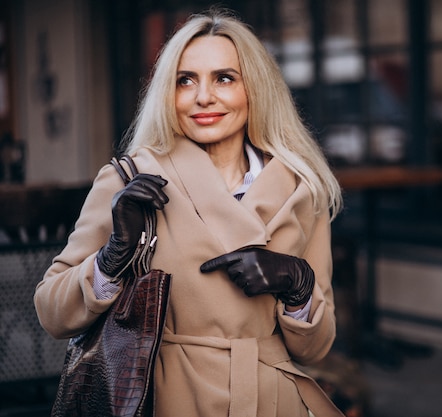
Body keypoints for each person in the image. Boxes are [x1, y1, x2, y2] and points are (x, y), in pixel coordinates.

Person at [34, 8, 344, 417]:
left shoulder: (304, 188)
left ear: (255, 89)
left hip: (271, 399)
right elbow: (52, 313)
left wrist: (299, 287)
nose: (203, 97)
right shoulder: (129, 179)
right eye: (185, 80)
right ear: (168, 92)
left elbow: (316, 347)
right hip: (167, 397)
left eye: (224, 78)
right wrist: (111, 259)